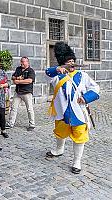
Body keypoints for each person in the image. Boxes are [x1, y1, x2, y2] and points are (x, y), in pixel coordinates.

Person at [45, 42, 100, 174]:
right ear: (63, 63)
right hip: (62, 112)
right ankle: (59, 150)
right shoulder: (56, 76)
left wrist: (86, 98)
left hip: (78, 112)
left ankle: (77, 161)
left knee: (79, 136)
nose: (71, 63)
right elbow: (46, 74)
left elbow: (96, 88)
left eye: (72, 61)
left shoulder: (83, 75)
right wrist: (57, 69)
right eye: (68, 61)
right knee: (60, 132)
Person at [6, 56, 36, 131]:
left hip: (27, 92)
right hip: (18, 92)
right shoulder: (18, 69)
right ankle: (10, 123)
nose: (22, 63)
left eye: (23, 61)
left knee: (29, 109)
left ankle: (32, 124)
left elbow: (29, 80)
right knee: (13, 108)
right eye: (21, 61)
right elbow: (13, 77)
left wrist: (18, 81)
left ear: (27, 62)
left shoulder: (31, 70)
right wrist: (17, 78)